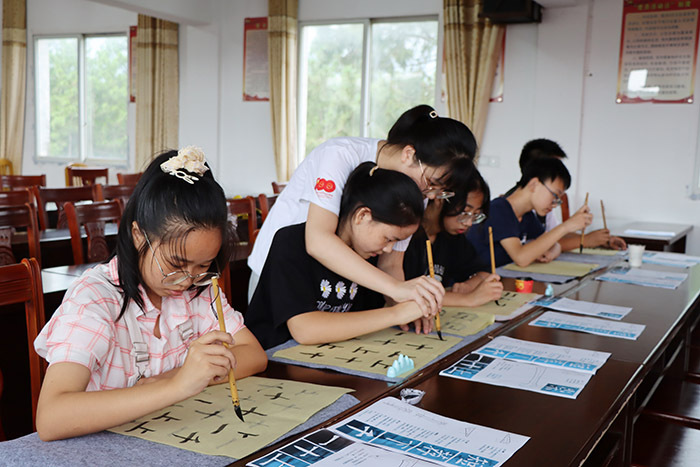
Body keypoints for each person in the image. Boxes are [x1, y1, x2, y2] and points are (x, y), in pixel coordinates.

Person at [34, 148, 268, 441]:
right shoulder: (95, 298)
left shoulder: (199, 290)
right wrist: (176, 386)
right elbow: (51, 418)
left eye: (203, 265)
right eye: (175, 264)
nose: (186, 280)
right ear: (138, 236)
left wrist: (175, 378)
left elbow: (253, 354)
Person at [248, 105, 478, 318]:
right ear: (408, 154)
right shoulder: (340, 155)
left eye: (440, 191)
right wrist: (396, 290)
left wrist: (407, 306)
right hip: (282, 276)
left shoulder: (419, 190)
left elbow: (390, 264)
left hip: (339, 288)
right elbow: (318, 241)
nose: (430, 195)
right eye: (432, 182)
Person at [246, 162, 429, 350]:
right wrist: (396, 314)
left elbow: (363, 318)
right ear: (362, 216)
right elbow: (305, 329)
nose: (389, 250)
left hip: (333, 353)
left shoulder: (370, 254)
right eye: (388, 239)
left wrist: (409, 308)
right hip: (275, 354)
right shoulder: (291, 242)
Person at [467, 157, 592, 268]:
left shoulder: (527, 216)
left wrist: (551, 253)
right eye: (555, 195)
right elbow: (521, 258)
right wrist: (566, 226)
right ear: (534, 184)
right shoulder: (499, 210)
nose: (555, 204)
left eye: (558, 200)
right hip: (473, 280)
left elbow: (555, 244)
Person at [506, 138, 626, 253]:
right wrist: (586, 240)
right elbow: (535, 248)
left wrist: (600, 240)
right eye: (556, 167)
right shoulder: (511, 208)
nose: (561, 172)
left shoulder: (541, 205)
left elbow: (553, 235)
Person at [404, 169, 503, 307]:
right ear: (440, 199)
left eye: (475, 214)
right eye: (464, 212)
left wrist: (469, 285)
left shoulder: (452, 238)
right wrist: (469, 299)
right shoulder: (406, 237)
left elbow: (483, 272)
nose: (468, 223)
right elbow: (405, 296)